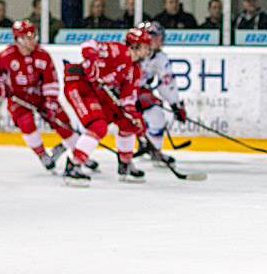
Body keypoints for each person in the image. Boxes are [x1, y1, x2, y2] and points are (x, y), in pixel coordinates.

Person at [0, 20, 84, 173]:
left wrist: (50, 102)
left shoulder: (42, 55)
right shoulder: (8, 55)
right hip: (19, 98)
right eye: (28, 37)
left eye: (33, 36)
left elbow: (51, 80)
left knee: (62, 123)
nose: (33, 40)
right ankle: (43, 156)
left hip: (41, 97)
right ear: (19, 40)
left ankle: (81, 154)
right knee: (26, 123)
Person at [61, 27, 152, 184]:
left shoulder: (135, 69)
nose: (148, 51)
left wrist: (135, 117)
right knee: (98, 126)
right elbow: (88, 45)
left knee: (127, 122)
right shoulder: (118, 50)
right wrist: (91, 63)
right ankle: (74, 166)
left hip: (97, 90)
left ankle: (125, 163)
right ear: (135, 46)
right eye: (145, 47)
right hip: (79, 83)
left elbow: (127, 100)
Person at [134, 21, 187, 166]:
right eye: (155, 37)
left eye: (160, 37)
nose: (159, 41)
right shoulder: (130, 52)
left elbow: (167, 84)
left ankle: (154, 151)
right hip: (118, 92)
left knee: (157, 113)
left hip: (137, 91)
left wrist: (175, 105)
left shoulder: (160, 58)